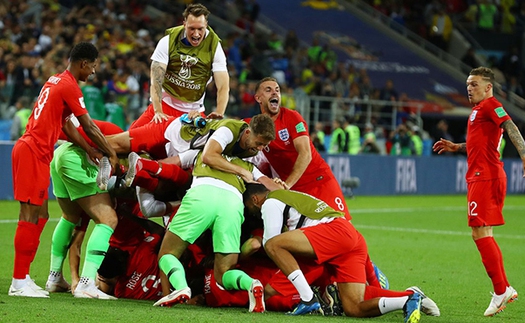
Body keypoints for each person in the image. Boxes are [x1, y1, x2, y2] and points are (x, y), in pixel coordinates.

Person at [9, 42, 119, 298]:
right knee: (30, 215)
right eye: (92, 66)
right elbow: (89, 126)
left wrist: (89, 150)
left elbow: (67, 125)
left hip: (33, 150)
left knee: (42, 215)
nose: (92, 72)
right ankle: (18, 281)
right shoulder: (70, 85)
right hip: (33, 151)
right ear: (83, 63)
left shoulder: (56, 81)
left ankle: (24, 277)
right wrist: (110, 152)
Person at [243, 184, 440, 320]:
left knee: (273, 245)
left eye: (249, 207)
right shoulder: (291, 196)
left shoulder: (269, 202)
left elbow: (272, 243)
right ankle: (408, 298)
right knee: (354, 307)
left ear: (255, 199)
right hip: (347, 235)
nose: (251, 211)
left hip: (332, 233)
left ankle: (308, 299)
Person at [153, 113, 278, 313]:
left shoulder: (202, 153)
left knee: (167, 254)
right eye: (259, 143)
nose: (259, 149)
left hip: (202, 196)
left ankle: (180, 287)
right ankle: (252, 285)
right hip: (232, 205)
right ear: (246, 133)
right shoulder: (246, 164)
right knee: (223, 274)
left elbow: (172, 162)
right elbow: (270, 186)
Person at [433, 66, 525, 317]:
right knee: (483, 232)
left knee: (479, 232)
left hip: (485, 177)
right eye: (467, 84)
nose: (469, 88)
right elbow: (480, 142)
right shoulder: (477, 111)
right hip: (480, 176)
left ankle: (500, 290)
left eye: (474, 84)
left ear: (488, 87)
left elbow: (511, 127)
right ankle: (503, 288)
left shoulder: (491, 106)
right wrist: (457, 146)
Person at [253, 77, 351, 219]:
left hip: (318, 181)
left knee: (342, 227)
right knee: (305, 236)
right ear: (258, 98)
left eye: (277, 90)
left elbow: (305, 154)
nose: (274, 93)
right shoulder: (255, 126)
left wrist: (287, 185)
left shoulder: (292, 117)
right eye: (268, 90)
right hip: (294, 190)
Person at [130, 3, 229, 129]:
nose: (196, 34)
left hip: (193, 113)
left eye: (200, 29)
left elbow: (223, 86)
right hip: (165, 105)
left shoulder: (215, 47)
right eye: (192, 28)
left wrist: (219, 112)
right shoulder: (168, 41)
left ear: (206, 25)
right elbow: (156, 82)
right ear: (184, 24)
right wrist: (158, 111)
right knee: (130, 139)